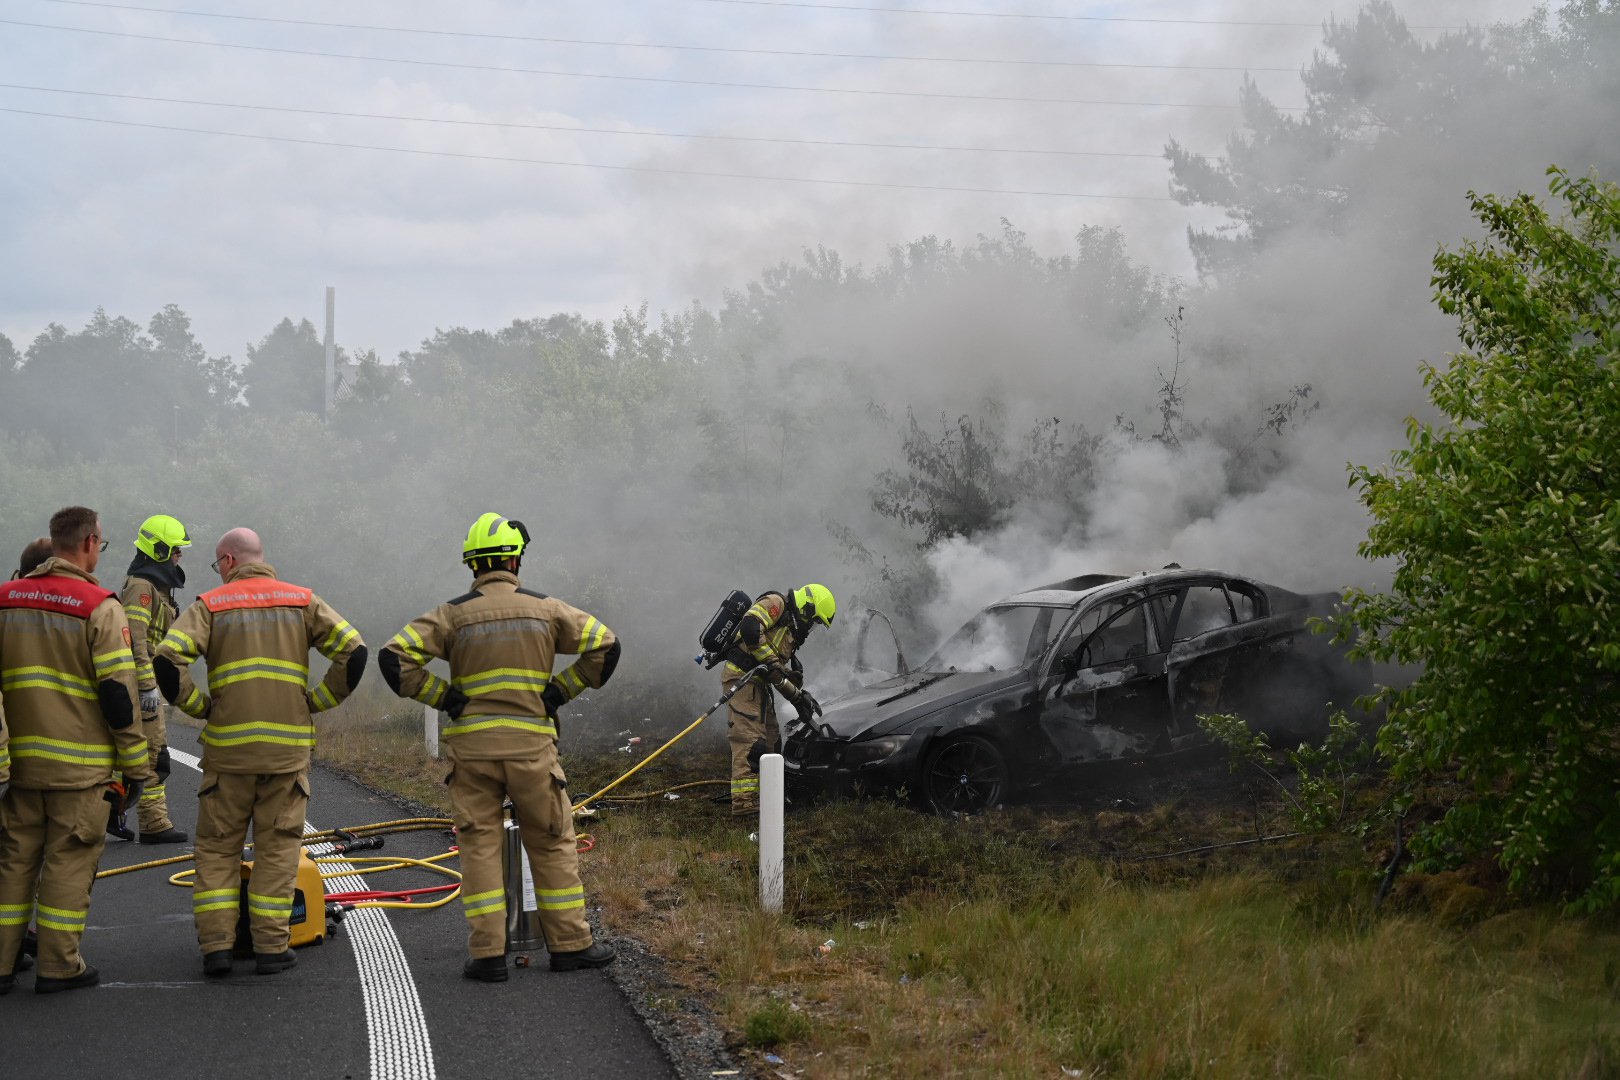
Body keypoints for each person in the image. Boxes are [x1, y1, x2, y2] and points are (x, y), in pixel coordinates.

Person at [380, 513, 620, 981]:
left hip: (472, 752)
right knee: (551, 844)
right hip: (532, 748)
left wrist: (444, 698)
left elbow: (393, 658)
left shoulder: (451, 614)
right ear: (514, 559)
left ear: (472, 563)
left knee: (480, 848)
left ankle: (488, 956)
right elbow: (606, 646)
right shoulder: (547, 609)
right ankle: (570, 946)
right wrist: (559, 691)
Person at [153, 527, 365, 977]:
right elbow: (355, 651)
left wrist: (200, 708)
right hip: (285, 755)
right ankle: (271, 947)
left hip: (228, 755)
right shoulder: (302, 601)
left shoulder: (210, 606)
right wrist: (318, 702)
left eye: (217, 563)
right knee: (278, 848)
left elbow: (166, 659)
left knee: (216, 851)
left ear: (229, 560)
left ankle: (217, 949)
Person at [0, 507, 150, 994]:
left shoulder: (5, 599)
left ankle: (2, 965)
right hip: (79, 771)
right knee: (68, 860)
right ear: (89, 542)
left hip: (16, 767)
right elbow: (118, 698)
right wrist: (136, 768)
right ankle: (59, 965)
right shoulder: (99, 606)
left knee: (14, 862)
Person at [720, 585, 836, 816]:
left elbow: (776, 674)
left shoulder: (790, 630)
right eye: (813, 621)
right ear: (807, 607)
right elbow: (751, 628)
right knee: (751, 742)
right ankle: (746, 805)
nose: (811, 628)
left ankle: (768, 795)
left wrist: (799, 698)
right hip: (742, 679)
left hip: (759, 685)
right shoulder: (776, 603)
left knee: (772, 743)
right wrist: (774, 665)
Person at [120, 514, 194, 845]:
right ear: (160, 550)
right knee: (153, 755)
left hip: (148, 682)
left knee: (140, 755)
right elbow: (135, 641)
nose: (179, 556)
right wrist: (147, 685)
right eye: (176, 551)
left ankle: (111, 813)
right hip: (140, 684)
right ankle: (153, 824)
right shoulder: (141, 588)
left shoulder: (154, 586)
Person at [1, 537, 54, 976]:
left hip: (15, 757)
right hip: (21, 759)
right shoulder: (81, 608)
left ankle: (13, 941)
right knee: (19, 855)